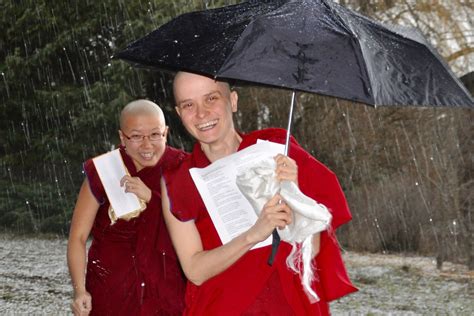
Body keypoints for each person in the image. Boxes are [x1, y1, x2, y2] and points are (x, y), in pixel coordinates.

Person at [161, 72, 357, 315]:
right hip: (221, 307)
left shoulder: (276, 150)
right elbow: (195, 271)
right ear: (179, 114)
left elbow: (311, 249)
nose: (201, 113)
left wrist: (295, 193)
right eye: (188, 105)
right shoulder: (178, 180)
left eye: (211, 98)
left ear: (233, 101)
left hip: (289, 304)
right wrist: (253, 234)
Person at [67, 99, 187, 316]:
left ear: (166, 132)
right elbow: (78, 237)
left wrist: (153, 198)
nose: (147, 145)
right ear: (122, 137)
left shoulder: (181, 166)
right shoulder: (104, 170)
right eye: (136, 136)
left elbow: (194, 226)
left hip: (166, 287)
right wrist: (79, 290)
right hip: (111, 288)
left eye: (154, 135)